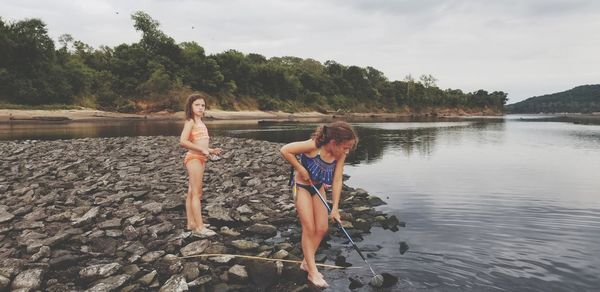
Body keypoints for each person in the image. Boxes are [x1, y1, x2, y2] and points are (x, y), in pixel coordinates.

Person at [280, 121, 358, 288]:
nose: (347, 150)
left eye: (349, 147)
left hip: (318, 188)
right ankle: (312, 271)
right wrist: (300, 169)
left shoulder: (340, 155)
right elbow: (285, 150)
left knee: (322, 228)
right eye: (345, 147)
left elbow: (337, 180)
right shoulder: (312, 146)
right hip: (302, 187)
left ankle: (305, 262)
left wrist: (335, 207)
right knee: (309, 227)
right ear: (333, 142)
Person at [180, 93, 222, 236]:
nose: (200, 108)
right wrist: (202, 150)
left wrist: (211, 150)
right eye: (197, 105)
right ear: (190, 106)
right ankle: (200, 227)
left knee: (192, 191)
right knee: (197, 193)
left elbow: (200, 142)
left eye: (202, 105)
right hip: (194, 159)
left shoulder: (201, 122)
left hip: (201, 157)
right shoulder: (190, 121)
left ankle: (191, 223)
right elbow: (183, 141)